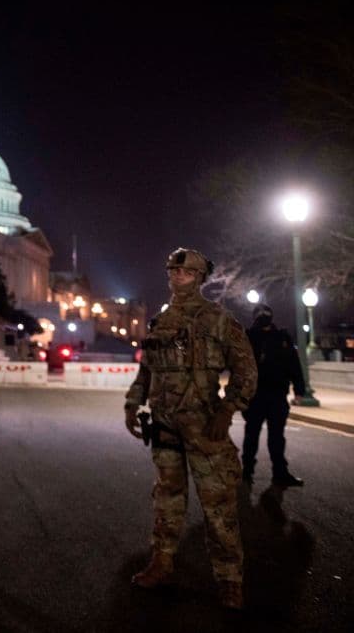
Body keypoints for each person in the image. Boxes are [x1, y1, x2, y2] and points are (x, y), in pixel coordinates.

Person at [124, 248, 257, 610]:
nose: (176, 278)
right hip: (165, 425)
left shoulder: (217, 319)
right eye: (172, 272)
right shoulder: (160, 321)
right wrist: (133, 403)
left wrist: (228, 410)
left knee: (218, 506)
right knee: (167, 499)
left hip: (204, 426)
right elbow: (146, 370)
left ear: (199, 278)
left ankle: (230, 579)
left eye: (184, 273)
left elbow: (246, 371)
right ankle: (162, 561)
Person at [242, 303, 305, 487]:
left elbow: (294, 365)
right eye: (260, 314)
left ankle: (280, 472)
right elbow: (238, 367)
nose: (263, 316)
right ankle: (246, 471)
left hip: (277, 395)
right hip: (255, 395)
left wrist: (299, 390)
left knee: (277, 437)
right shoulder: (248, 337)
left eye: (266, 313)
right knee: (251, 435)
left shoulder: (282, 337)